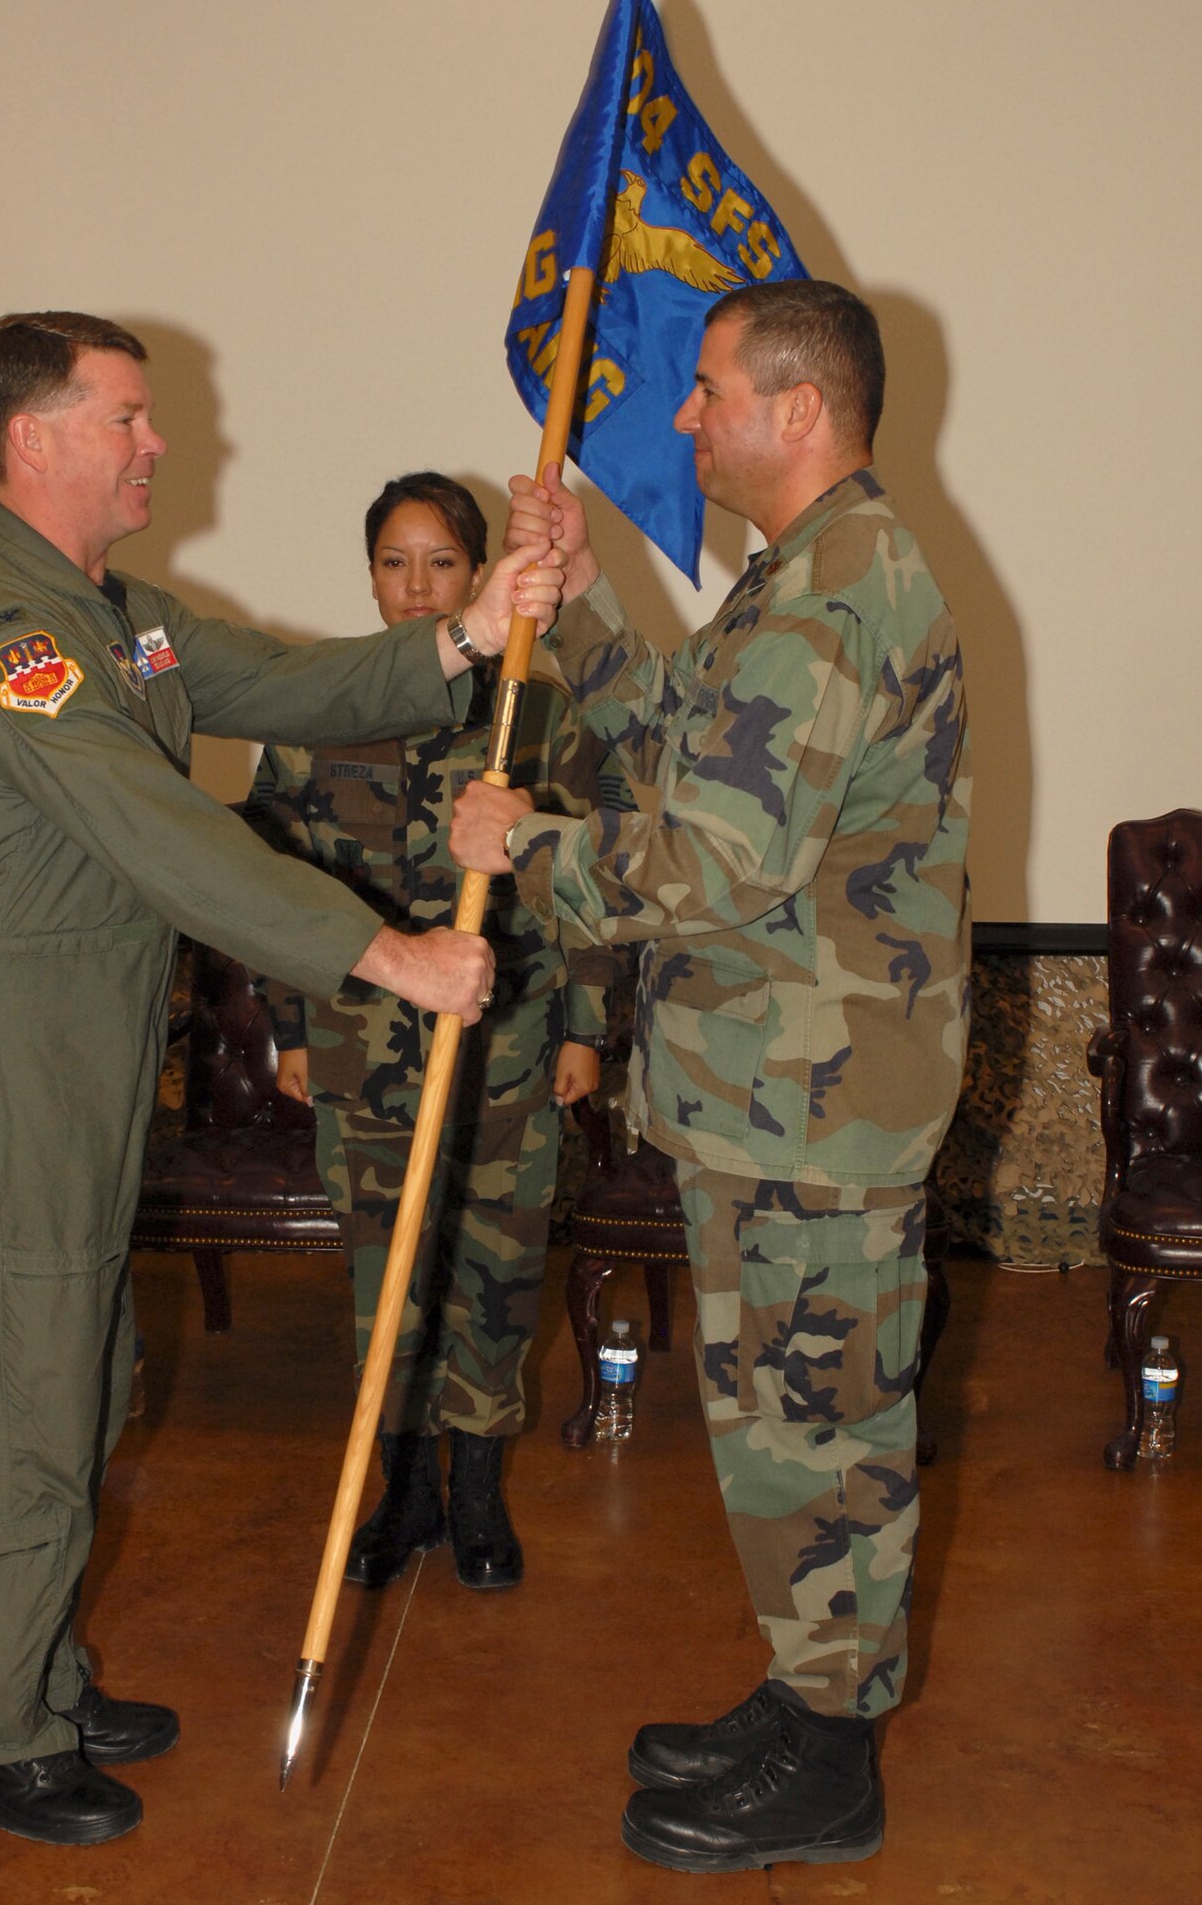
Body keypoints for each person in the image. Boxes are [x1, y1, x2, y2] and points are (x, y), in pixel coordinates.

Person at [0, 313, 563, 1849]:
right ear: (32, 438)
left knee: (78, 1364)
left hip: (77, 1041)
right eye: (125, 417)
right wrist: (384, 956)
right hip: (4, 1051)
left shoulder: (113, 618)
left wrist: (461, 633)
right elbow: (162, 832)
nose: (155, 443)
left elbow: (282, 679)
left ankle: (33, 1668)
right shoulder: (16, 643)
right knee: (15, 1389)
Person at [451, 281, 971, 1875]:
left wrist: (524, 852)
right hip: (780, 1098)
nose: (684, 417)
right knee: (781, 1432)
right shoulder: (803, 580)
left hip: (814, 1109)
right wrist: (588, 607)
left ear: (796, 410)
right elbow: (694, 736)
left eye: (709, 391)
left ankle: (830, 1756)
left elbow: (720, 856)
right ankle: (806, 1688)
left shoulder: (836, 593)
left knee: (819, 1431)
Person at [248, 472, 627, 1592]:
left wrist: (584, 1029)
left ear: (481, 575)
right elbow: (267, 881)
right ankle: (400, 1488)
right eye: (392, 563)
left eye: (442, 564)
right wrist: (288, 1027)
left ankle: (474, 1489)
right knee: (387, 1271)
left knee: (495, 1267)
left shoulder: (539, 711)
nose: (416, 588)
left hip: (505, 1042)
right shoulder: (313, 707)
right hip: (361, 1046)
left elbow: (588, 891)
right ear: (369, 576)